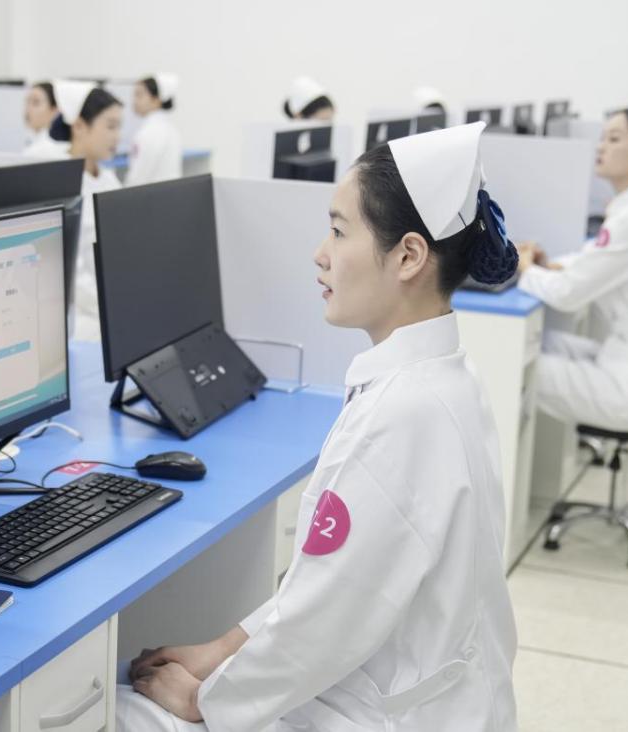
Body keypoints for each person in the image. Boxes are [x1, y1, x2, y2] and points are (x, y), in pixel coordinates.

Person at [117, 123, 519, 731]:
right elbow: (326, 591)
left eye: (338, 230)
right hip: (433, 701)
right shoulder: (447, 379)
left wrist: (204, 700)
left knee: (120, 706)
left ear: (409, 256)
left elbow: (322, 621)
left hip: (388, 719)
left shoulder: (400, 416)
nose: (320, 254)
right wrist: (221, 650)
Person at [516, 107, 628, 431]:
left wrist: (524, 268)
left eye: (613, 139)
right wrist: (550, 265)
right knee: (538, 342)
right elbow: (597, 257)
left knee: (511, 363)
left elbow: (567, 295)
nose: (601, 146)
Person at [50, 80, 123, 340]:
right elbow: (72, 273)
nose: (118, 137)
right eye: (111, 126)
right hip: (82, 311)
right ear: (79, 126)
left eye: (119, 127)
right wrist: (111, 305)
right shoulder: (59, 183)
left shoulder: (109, 179)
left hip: (110, 300)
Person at [125, 73, 183, 186]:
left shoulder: (147, 133)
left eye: (139, 95)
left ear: (156, 100)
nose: (134, 101)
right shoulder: (171, 130)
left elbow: (136, 180)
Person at [22, 82, 68, 159]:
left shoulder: (42, 151)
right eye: (27, 102)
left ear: (55, 110)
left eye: (35, 102)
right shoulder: (35, 143)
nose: (28, 108)